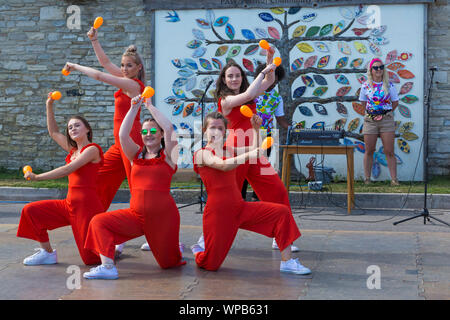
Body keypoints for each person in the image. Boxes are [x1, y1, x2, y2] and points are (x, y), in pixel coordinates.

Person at [191, 112, 310, 275]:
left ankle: (288, 262)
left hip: (239, 208)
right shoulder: (201, 154)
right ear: (205, 130)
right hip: (219, 214)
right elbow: (224, 165)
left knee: (281, 213)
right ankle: (198, 250)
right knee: (211, 264)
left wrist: (255, 129)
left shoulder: (231, 150)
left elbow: (255, 150)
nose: (217, 131)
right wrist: (249, 155)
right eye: (213, 127)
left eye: (220, 128)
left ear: (225, 131)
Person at [83, 95, 185, 280]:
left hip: (163, 219)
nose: (149, 134)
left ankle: (173, 245)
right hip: (136, 216)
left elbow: (170, 128)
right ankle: (107, 267)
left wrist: (149, 106)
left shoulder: (170, 156)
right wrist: (133, 108)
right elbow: (122, 135)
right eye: (145, 132)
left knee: (168, 264)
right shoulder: (134, 155)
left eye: (154, 130)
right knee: (98, 222)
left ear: (160, 134)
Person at [64, 29, 146, 255]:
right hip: (117, 146)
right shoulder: (124, 80)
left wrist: (76, 66)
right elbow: (105, 63)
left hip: (131, 141)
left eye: (129, 65)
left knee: (138, 191)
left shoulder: (134, 86)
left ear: (138, 68)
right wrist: (94, 39)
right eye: (123, 65)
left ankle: (151, 229)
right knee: (99, 181)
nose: (124, 69)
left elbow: (100, 76)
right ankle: (103, 229)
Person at [214, 53, 300, 253]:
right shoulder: (225, 100)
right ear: (224, 80)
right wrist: (262, 71)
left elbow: (269, 80)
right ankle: (208, 237)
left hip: (254, 149)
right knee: (227, 197)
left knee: (277, 191)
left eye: (238, 75)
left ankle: (282, 236)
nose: (234, 79)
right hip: (234, 151)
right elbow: (249, 96)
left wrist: (270, 58)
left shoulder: (251, 91)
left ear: (242, 78)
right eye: (230, 76)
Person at [17, 93, 104, 266]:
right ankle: (47, 253)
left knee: (90, 259)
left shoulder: (92, 150)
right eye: (70, 127)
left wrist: (37, 177)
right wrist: (49, 104)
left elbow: (67, 169)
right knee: (31, 211)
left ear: (87, 129)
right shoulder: (73, 151)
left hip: (86, 208)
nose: (72, 129)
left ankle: (110, 243)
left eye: (77, 125)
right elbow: (54, 132)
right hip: (68, 204)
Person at [241, 63, 290, 201]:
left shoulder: (277, 98)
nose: (274, 83)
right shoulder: (251, 94)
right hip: (248, 136)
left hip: (266, 137)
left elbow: (280, 119)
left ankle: (259, 198)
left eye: (276, 80)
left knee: (263, 169)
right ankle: (241, 198)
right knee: (245, 167)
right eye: (272, 78)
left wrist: (292, 127)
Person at [359, 58, 399, 186]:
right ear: (371, 70)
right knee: (369, 150)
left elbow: (395, 102)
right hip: (370, 120)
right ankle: (367, 179)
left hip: (386, 120)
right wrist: (373, 113)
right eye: (375, 68)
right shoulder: (365, 86)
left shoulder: (389, 85)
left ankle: (394, 179)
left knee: (389, 150)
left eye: (381, 67)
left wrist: (384, 113)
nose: (379, 70)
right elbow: (364, 103)